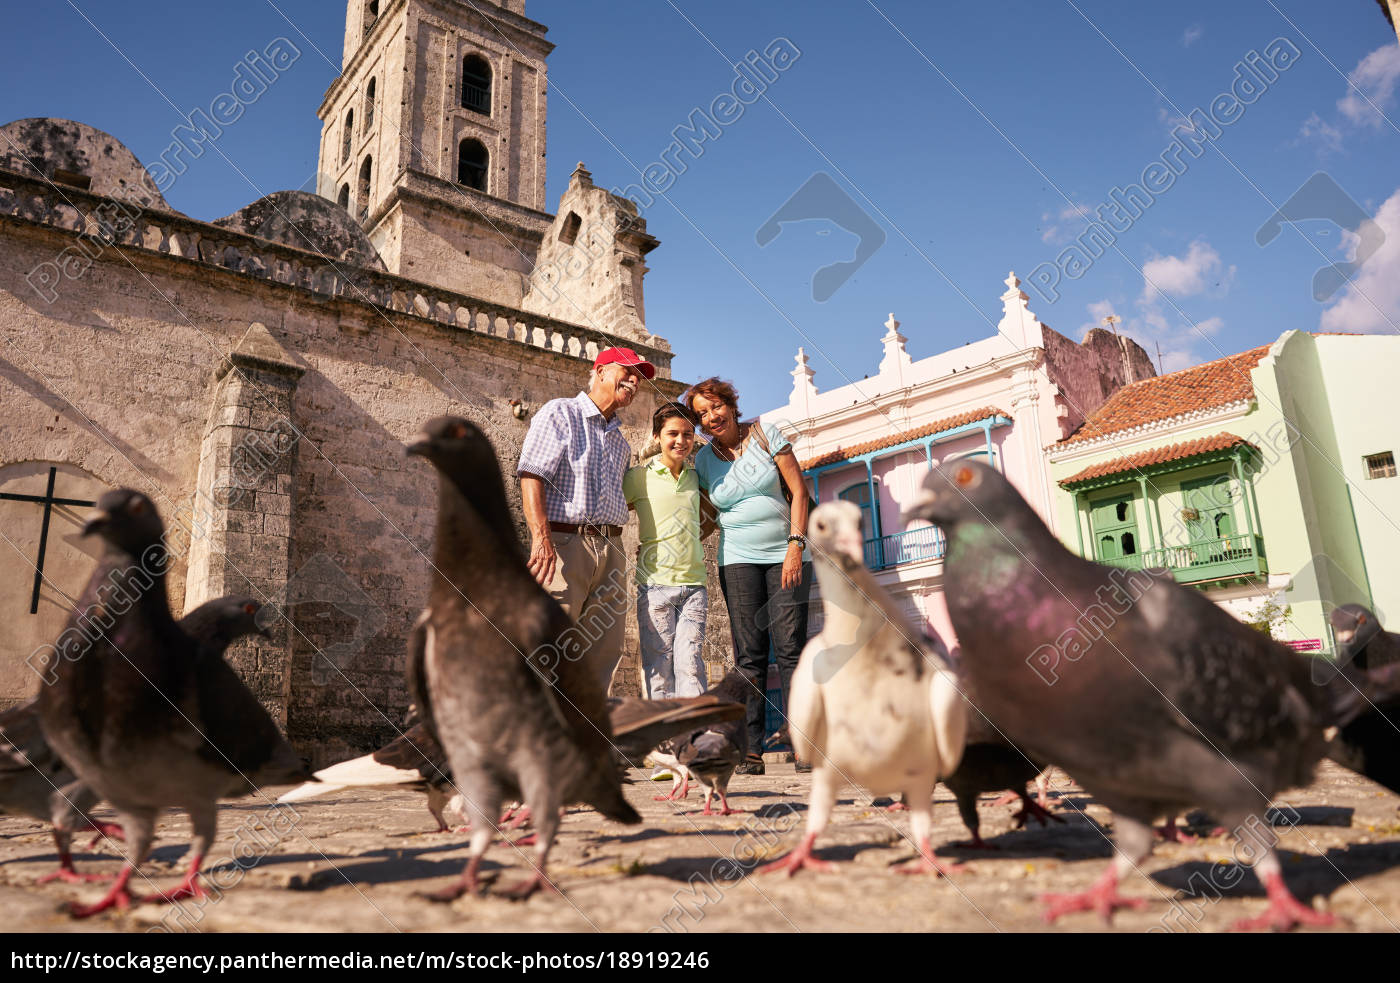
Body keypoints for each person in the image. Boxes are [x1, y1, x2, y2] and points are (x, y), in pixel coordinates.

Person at [688, 377, 811, 776]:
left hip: (785, 554)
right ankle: (751, 749)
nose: (711, 418)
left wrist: (796, 545)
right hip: (736, 559)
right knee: (749, 657)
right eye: (702, 415)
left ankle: (802, 742)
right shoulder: (704, 461)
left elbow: (799, 491)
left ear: (730, 404)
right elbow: (709, 517)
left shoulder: (764, 433)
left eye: (715, 408)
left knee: (791, 650)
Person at [517, 346, 654, 693]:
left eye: (639, 377)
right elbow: (532, 475)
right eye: (628, 372)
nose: (634, 381)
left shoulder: (621, 443)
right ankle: (537, 738)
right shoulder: (561, 414)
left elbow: (618, 499)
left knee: (604, 651)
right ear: (602, 370)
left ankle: (588, 738)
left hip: (611, 548)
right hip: (564, 545)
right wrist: (541, 538)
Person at [624, 402, 710, 700]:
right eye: (673, 433)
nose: (681, 441)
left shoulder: (695, 478)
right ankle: (662, 743)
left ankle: (694, 740)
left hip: (695, 586)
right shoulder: (638, 478)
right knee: (658, 670)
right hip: (655, 586)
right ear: (657, 435)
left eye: (688, 434)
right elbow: (611, 510)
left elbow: (705, 520)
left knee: (692, 667)